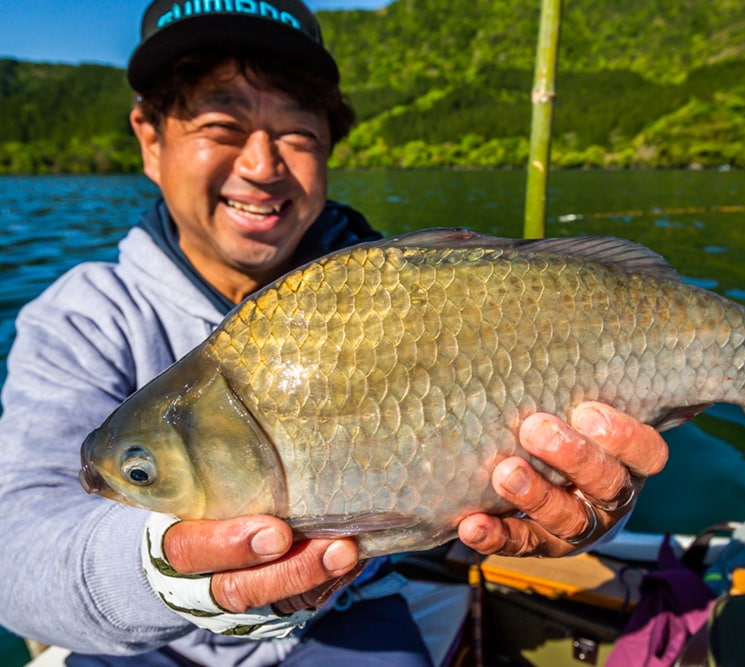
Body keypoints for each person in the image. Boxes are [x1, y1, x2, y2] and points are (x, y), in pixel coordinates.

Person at [0, 1, 668, 665]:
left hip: (354, 613)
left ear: (329, 147)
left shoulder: (410, 291)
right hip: (151, 644)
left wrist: (581, 508)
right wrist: (172, 575)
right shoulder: (84, 317)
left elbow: (477, 522)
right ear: (150, 139)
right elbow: (16, 550)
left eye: (296, 133)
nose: (262, 164)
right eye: (221, 125)